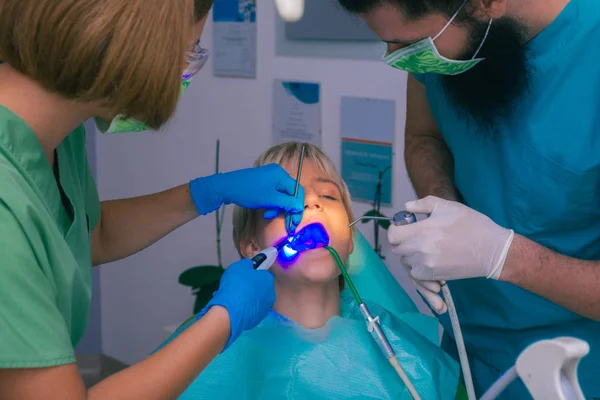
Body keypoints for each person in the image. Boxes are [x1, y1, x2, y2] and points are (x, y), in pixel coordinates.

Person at [0, 1, 305, 399]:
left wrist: (206, 193)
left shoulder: (58, 130)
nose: (186, 72)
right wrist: (223, 319)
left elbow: (91, 235)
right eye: (190, 51)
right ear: (139, 43)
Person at [337, 0, 600, 397]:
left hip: (573, 368)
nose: (399, 60)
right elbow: (424, 138)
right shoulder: (444, 46)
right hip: (465, 351)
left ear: (485, 3)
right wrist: (441, 213)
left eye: (411, 44)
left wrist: (502, 256)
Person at [159, 142, 462, 399]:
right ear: (252, 246)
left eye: (328, 196)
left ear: (351, 239)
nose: (311, 204)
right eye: (284, 201)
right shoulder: (206, 349)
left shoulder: (409, 356)